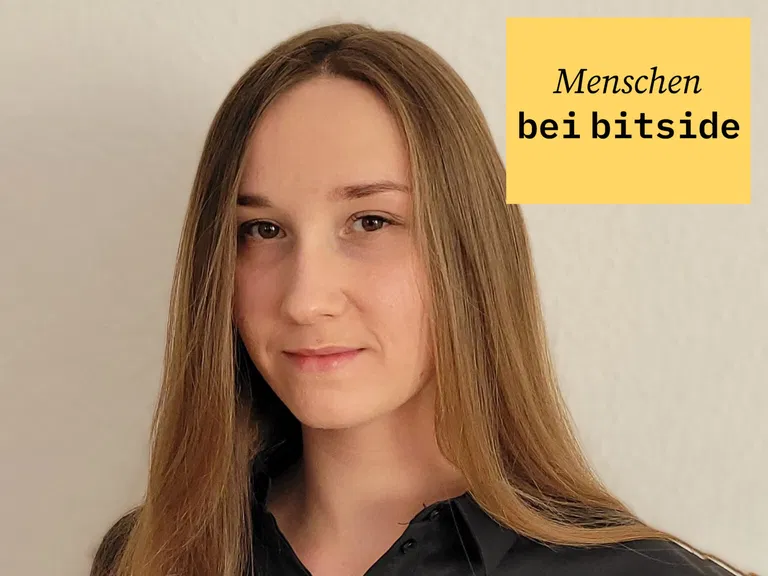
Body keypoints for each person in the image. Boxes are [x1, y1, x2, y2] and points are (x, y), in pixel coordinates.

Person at [90, 22, 754, 576]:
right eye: (263, 230)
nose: (305, 299)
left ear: (468, 253)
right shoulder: (147, 559)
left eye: (370, 221)